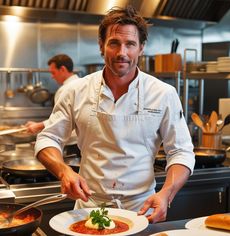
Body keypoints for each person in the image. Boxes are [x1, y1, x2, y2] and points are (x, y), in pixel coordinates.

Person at [35, 6, 195, 223]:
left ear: (141, 48)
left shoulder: (163, 93)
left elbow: (181, 151)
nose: (122, 53)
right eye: (114, 43)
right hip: (89, 207)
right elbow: (48, 137)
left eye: (130, 44)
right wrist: (63, 171)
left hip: (142, 209)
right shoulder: (76, 91)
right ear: (101, 46)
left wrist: (166, 193)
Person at [25, 54, 79, 136]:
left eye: (53, 73)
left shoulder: (65, 90)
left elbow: (60, 119)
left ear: (62, 69)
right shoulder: (82, 83)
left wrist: (38, 126)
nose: (52, 77)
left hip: (71, 142)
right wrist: (39, 124)